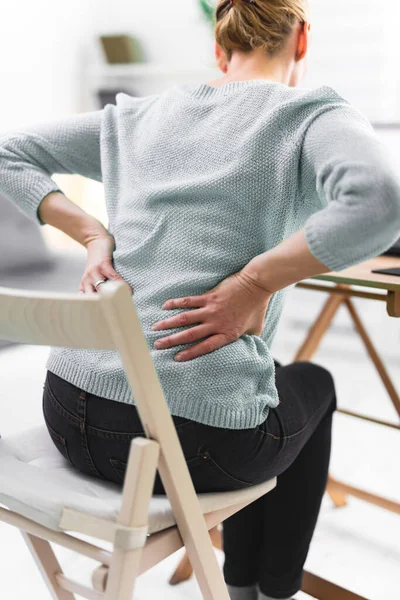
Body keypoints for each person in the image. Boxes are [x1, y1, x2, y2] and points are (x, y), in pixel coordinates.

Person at [1, 0, 400, 598]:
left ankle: (243, 583)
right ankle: (264, 590)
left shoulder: (136, 118)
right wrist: (253, 282)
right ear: (303, 39)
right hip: (192, 452)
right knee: (311, 382)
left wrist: (91, 233)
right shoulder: (309, 114)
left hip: (68, 412)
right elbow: (378, 204)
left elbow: (9, 152)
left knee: (264, 382)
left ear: (219, 48)